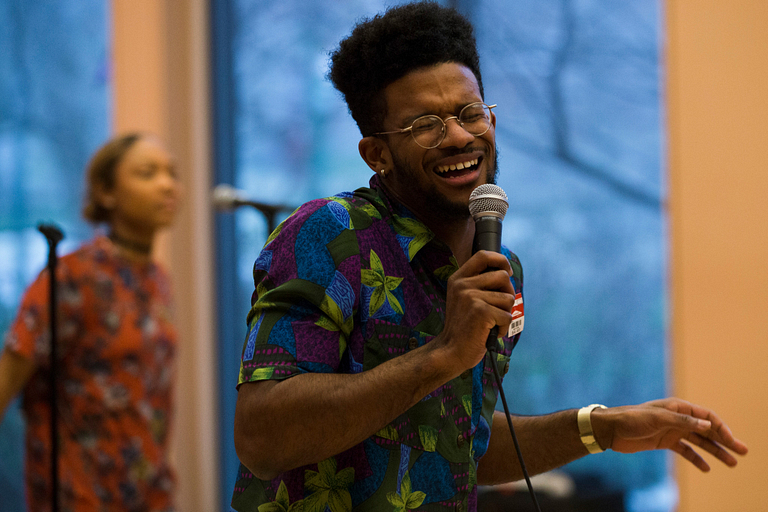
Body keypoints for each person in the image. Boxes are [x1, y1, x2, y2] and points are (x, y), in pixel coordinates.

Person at [230, 3, 748, 511]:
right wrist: (445, 353)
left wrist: (601, 428)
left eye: (470, 112)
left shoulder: (498, 268)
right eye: (424, 125)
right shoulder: (330, 235)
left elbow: (457, 444)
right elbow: (261, 435)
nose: (459, 136)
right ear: (378, 154)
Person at [0, 132, 181, 512]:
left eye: (172, 173)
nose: (167, 184)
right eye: (148, 173)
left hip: (149, 492)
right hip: (78, 494)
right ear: (106, 192)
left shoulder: (158, 279)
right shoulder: (70, 279)